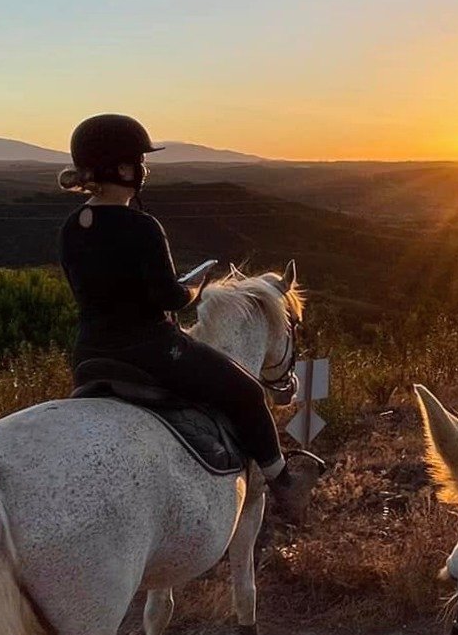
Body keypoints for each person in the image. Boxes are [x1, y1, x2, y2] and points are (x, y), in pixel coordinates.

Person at [56, 113, 306, 520]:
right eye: (139, 161)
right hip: (152, 351)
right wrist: (195, 286)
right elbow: (169, 298)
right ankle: (284, 482)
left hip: (89, 355)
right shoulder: (142, 226)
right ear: (123, 169)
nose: (143, 169)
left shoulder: (70, 227)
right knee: (249, 393)